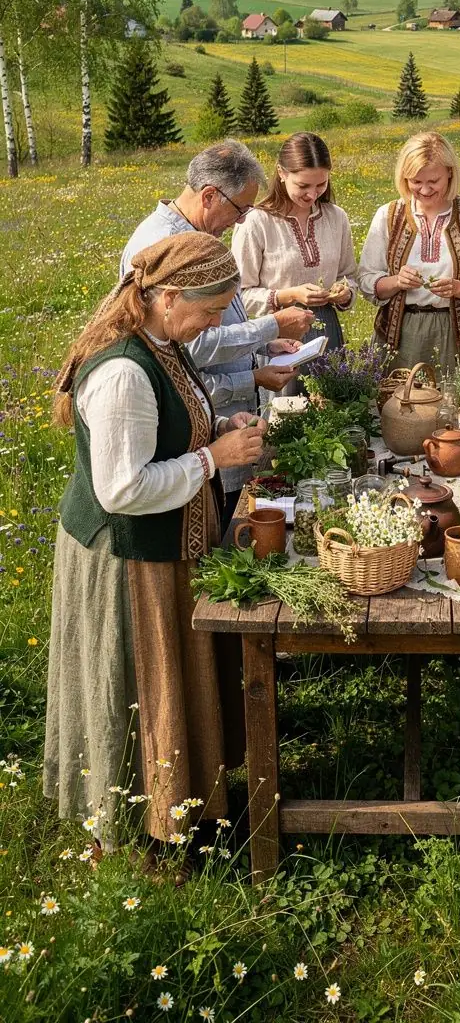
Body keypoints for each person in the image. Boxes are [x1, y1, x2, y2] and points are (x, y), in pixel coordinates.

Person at [44, 234, 270, 850]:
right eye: (211, 308)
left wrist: (219, 425)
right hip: (125, 556)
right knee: (134, 687)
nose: (217, 321)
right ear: (168, 296)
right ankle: (127, 823)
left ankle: (182, 801)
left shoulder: (164, 342)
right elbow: (122, 488)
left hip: (164, 544)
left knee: (171, 679)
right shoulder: (123, 371)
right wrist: (212, 457)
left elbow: (166, 428)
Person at [121, 139, 307, 518]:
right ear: (209, 195)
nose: (241, 221)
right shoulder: (163, 244)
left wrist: (263, 350)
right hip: (187, 447)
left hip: (218, 422)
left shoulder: (199, 237)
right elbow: (195, 348)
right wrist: (269, 328)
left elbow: (221, 319)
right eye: (240, 209)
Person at [358, 131, 460, 379]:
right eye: (415, 181)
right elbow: (367, 279)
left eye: (433, 181)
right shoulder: (389, 215)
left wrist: (459, 288)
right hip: (400, 334)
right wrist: (396, 281)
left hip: (456, 334)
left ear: (449, 172)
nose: (424, 190)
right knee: (398, 409)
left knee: (456, 410)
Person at [232, 133, 358, 391]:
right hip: (276, 332)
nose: (313, 194)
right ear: (281, 173)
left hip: (327, 331)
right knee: (286, 414)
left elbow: (349, 275)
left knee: (332, 410)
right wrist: (288, 295)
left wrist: (344, 293)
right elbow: (238, 296)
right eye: (303, 186)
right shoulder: (257, 222)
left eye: (320, 184)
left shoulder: (336, 218)